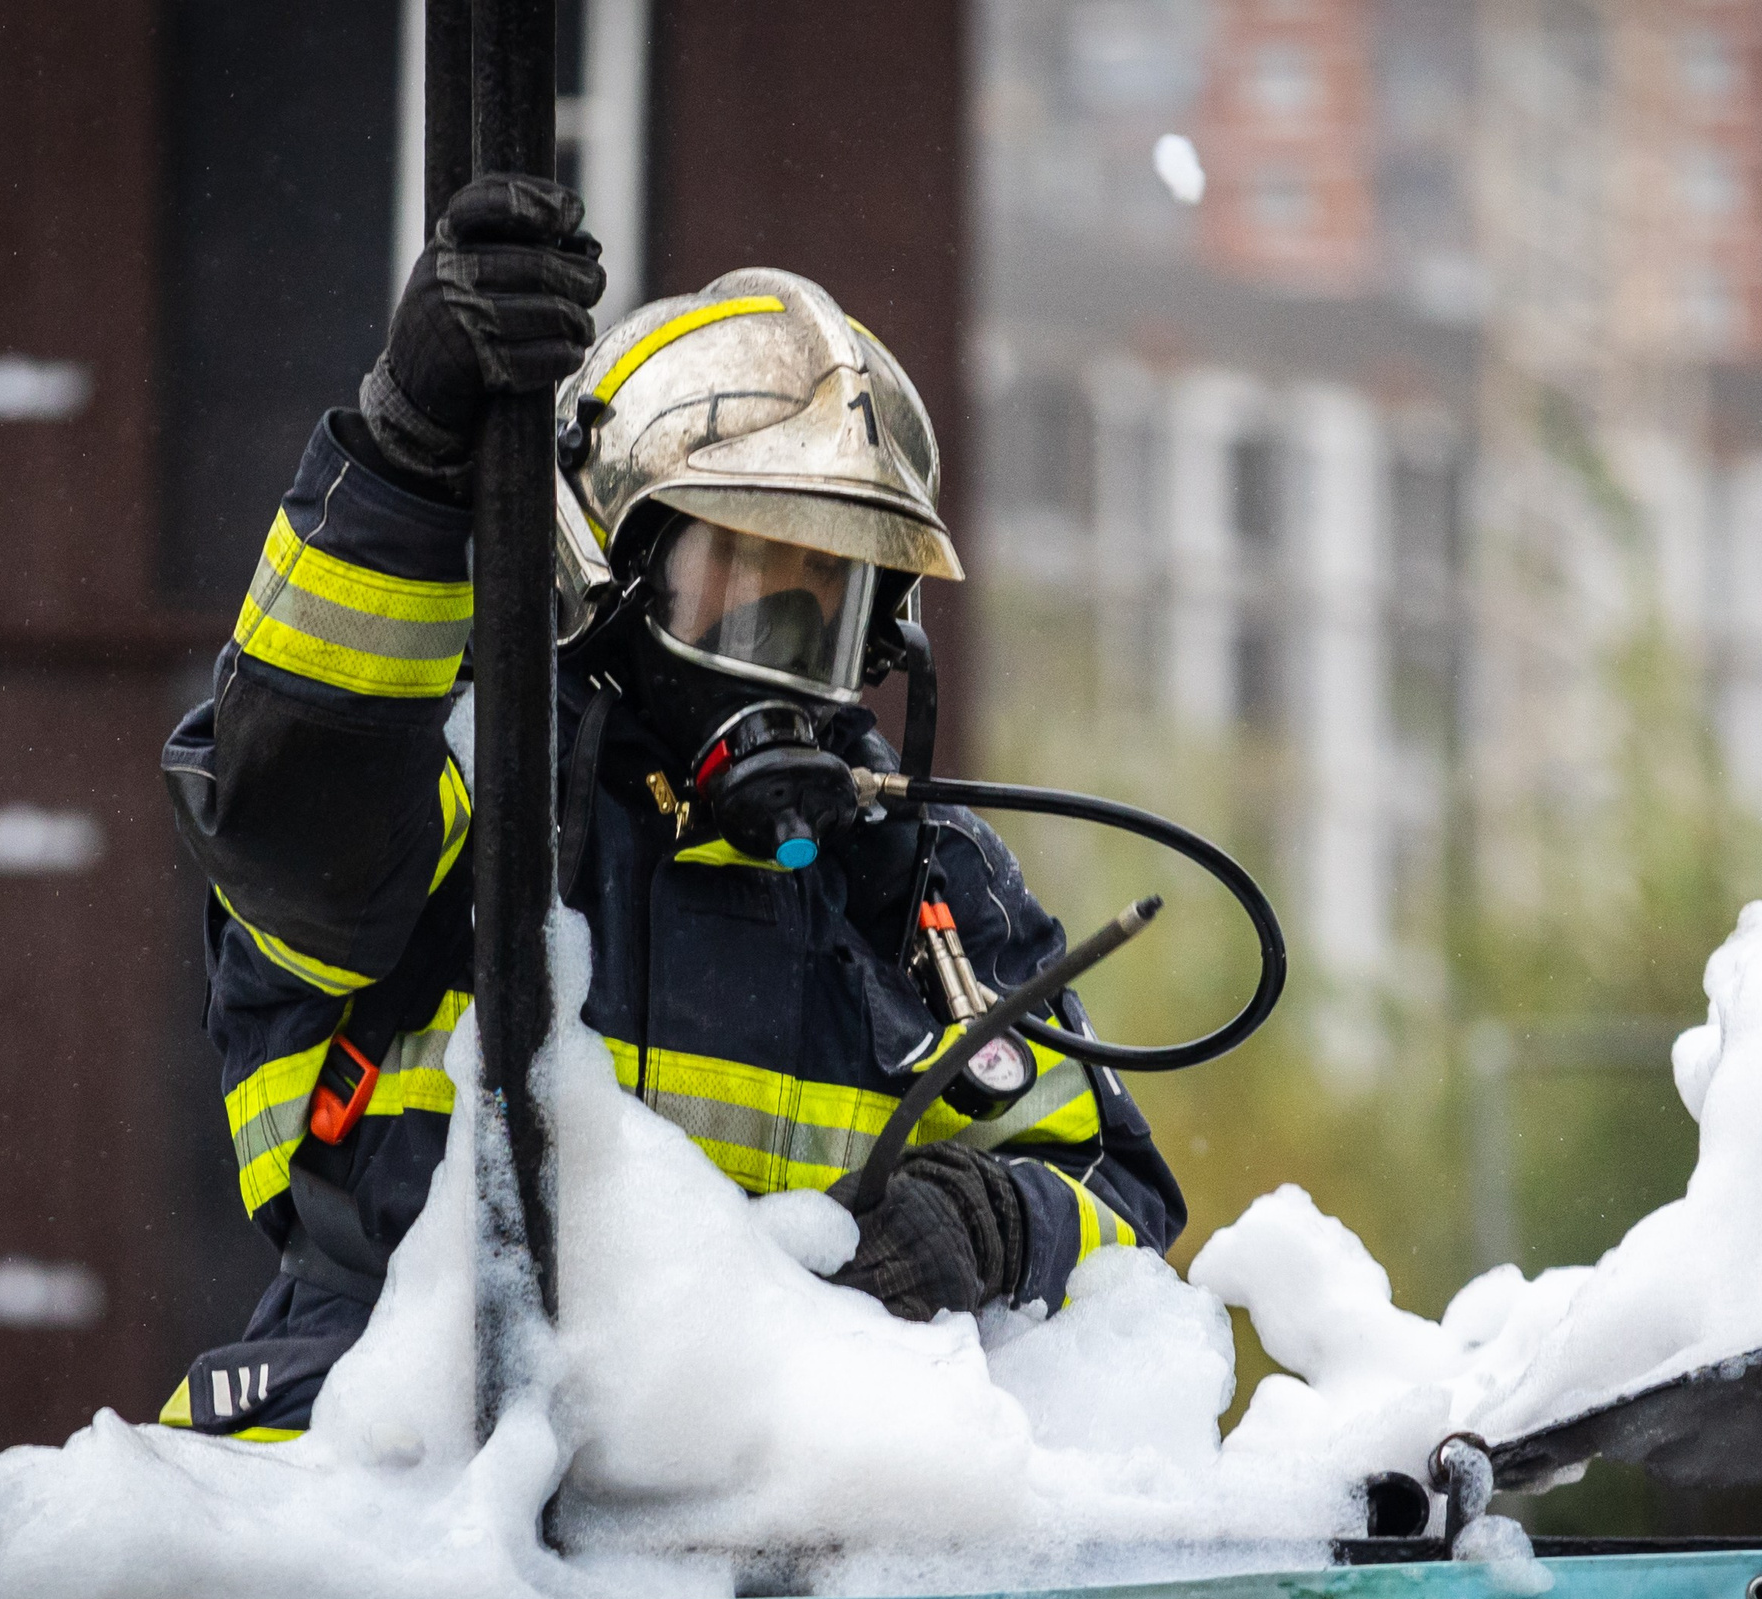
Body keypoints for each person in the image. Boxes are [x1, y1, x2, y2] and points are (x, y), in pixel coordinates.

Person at [155, 174, 1184, 1439]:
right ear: (611, 561)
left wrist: (992, 1221)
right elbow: (290, 813)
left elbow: (1125, 1221)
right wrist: (405, 458)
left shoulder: (926, 892)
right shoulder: (474, 768)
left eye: (828, 606)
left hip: (759, 1555)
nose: (782, 647)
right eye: (743, 578)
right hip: (372, 1502)